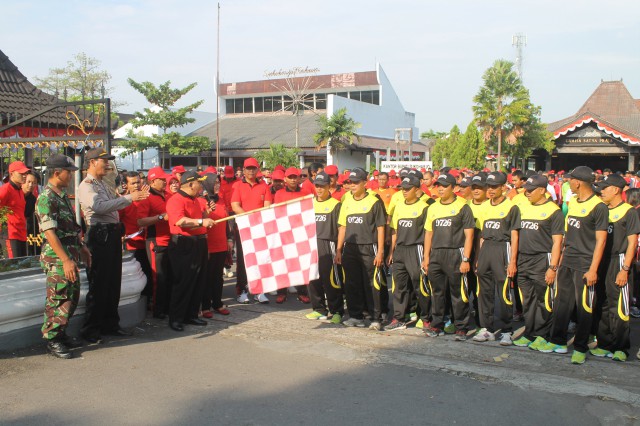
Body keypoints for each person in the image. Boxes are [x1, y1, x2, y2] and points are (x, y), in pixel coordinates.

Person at [78, 148, 149, 343]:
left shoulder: (103, 183)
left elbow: (114, 205)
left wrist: (128, 199)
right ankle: (91, 329)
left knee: (112, 283)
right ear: (92, 162)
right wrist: (129, 198)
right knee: (99, 284)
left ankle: (110, 324)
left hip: (111, 234)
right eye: (104, 160)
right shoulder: (86, 185)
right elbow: (98, 207)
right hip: (99, 235)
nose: (108, 164)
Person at [540, 166, 608, 364]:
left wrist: (593, 269)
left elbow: (601, 241)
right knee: (562, 302)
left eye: (570, 180)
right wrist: (559, 261)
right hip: (568, 260)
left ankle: (580, 346)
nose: (567, 182)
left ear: (578, 182)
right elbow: (568, 235)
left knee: (584, 306)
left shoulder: (598, 206)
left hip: (585, 263)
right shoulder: (574, 202)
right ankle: (558, 341)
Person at [35, 154, 91, 359]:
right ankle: (52, 340)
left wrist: (82, 247)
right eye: (69, 173)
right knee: (59, 296)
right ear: (57, 173)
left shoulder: (61, 196)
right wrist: (66, 260)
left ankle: (61, 333)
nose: (71, 177)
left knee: (72, 296)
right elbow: (50, 233)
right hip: (57, 257)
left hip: (70, 253)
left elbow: (71, 228)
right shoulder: (45, 198)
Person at [588, 174, 639, 362]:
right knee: (601, 303)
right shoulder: (602, 210)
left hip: (619, 261)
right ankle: (604, 343)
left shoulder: (629, 212)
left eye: (605, 188)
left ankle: (621, 347)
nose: (601, 191)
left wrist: (625, 269)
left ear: (616, 190)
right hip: (602, 261)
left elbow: (632, 243)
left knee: (619, 306)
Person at [421, 173, 475, 340]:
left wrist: (466, 258)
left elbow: (469, 235)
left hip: (455, 253)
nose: (441, 188)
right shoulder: (433, 207)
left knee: (458, 293)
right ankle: (437, 325)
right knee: (437, 292)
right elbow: (428, 234)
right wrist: (426, 257)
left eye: (444, 186)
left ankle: (461, 327)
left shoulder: (463, 206)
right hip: (436, 254)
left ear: (454, 187)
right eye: (439, 185)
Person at [514, 174, 564, 350]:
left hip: (543, 259)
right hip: (524, 259)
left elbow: (558, 242)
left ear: (542, 190)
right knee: (527, 299)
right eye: (525, 190)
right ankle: (530, 332)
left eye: (530, 190)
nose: (526, 193)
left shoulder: (554, 211)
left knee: (544, 300)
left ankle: (543, 335)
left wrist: (553, 267)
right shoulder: (523, 208)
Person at [335, 168, 387, 330]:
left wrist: (380, 251)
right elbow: (343, 227)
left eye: (356, 182)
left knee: (371, 284)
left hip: (369, 248)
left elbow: (380, 228)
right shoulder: (346, 201)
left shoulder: (374, 201)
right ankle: (355, 315)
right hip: (350, 249)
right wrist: (338, 249)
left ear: (365, 182)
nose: (353, 185)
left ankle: (375, 318)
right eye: (351, 182)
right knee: (352, 283)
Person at [473, 171, 521, 346]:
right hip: (487, 249)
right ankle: (487, 329)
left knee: (504, 293)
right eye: (489, 187)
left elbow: (515, 236)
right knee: (484, 292)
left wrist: (513, 261)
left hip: (503, 249)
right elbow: (481, 236)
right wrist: (478, 257)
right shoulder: (485, 206)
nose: (491, 190)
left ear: (503, 187)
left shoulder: (511, 207)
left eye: (494, 187)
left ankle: (507, 330)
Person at [165, 171, 216, 331]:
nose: (201, 186)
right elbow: (180, 221)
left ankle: (191, 315)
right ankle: (177, 318)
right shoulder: (176, 200)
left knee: (198, 280)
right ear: (191, 184)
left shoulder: (196, 200)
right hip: (184, 243)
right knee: (184, 281)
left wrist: (205, 216)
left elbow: (197, 220)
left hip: (199, 242)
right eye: (199, 183)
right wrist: (202, 221)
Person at [386, 175, 430, 331]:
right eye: (402, 189)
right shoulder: (398, 206)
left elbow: (428, 234)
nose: (404, 192)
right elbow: (394, 232)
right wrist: (391, 252)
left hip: (416, 249)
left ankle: (425, 317)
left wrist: (426, 257)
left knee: (420, 285)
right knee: (399, 286)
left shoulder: (424, 207)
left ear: (417, 189)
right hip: (400, 250)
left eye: (407, 189)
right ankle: (399, 318)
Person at [231, 157, 273, 304]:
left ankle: (259, 290)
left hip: (260, 228)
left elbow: (267, 206)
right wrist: (249, 219)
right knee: (243, 261)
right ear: (243, 170)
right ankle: (242, 290)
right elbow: (235, 206)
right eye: (248, 168)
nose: (250, 171)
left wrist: (257, 222)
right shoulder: (237, 186)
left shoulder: (264, 186)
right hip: (243, 228)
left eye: (253, 168)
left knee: (260, 259)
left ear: (257, 170)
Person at [306, 172, 344, 323]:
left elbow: (341, 228)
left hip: (328, 245)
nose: (319, 189)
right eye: (317, 186)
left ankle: (337, 311)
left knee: (331, 280)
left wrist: (339, 249)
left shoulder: (336, 205)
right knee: (313, 279)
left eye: (322, 186)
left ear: (329, 186)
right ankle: (319, 309)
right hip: (311, 245)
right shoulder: (308, 204)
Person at [136, 167, 172, 319]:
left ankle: (168, 307)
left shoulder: (169, 195)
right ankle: (158, 310)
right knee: (159, 278)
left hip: (171, 240)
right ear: (152, 181)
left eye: (165, 179)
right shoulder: (147, 197)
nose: (165, 182)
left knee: (169, 276)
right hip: (155, 241)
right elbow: (140, 221)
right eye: (162, 180)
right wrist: (160, 218)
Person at [273, 167, 311, 304]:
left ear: (300, 178)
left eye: (296, 177)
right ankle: (281, 292)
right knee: (283, 263)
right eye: (290, 177)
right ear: (285, 179)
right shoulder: (279, 194)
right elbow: (277, 213)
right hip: (284, 232)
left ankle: (302, 291)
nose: (293, 179)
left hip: (300, 232)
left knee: (300, 263)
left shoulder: (306, 193)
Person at [118, 172, 152, 304]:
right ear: (126, 185)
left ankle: (148, 301)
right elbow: (118, 221)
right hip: (131, 245)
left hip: (147, 242)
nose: (137, 185)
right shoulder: (124, 201)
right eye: (133, 183)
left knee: (148, 273)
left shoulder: (147, 198)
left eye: (138, 182)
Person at [201, 173, 232, 318]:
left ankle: (218, 303)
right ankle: (205, 306)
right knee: (207, 277)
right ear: (207, 184)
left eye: (219, 182)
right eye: (215, 182)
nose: (218, 185)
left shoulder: (221, 200)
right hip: (208, 244)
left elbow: (226, 221)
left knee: (218, 276)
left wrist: (229, 239)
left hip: (221, 243)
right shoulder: (202, 201)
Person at [0, 160, 30, 258]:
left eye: (25, 173)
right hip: (10, 234)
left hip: (20, 233)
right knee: (14, 268)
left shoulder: (20, 190)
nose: (25, 175)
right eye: (21, 173)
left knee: (22, 267)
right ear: (12, 174)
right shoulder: (5, 190)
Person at [22, 171, 39, 255]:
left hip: (28, 232)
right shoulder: (15, 194)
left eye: (34, 183)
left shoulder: (33, 199)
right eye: (29, 182)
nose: (31, 185)